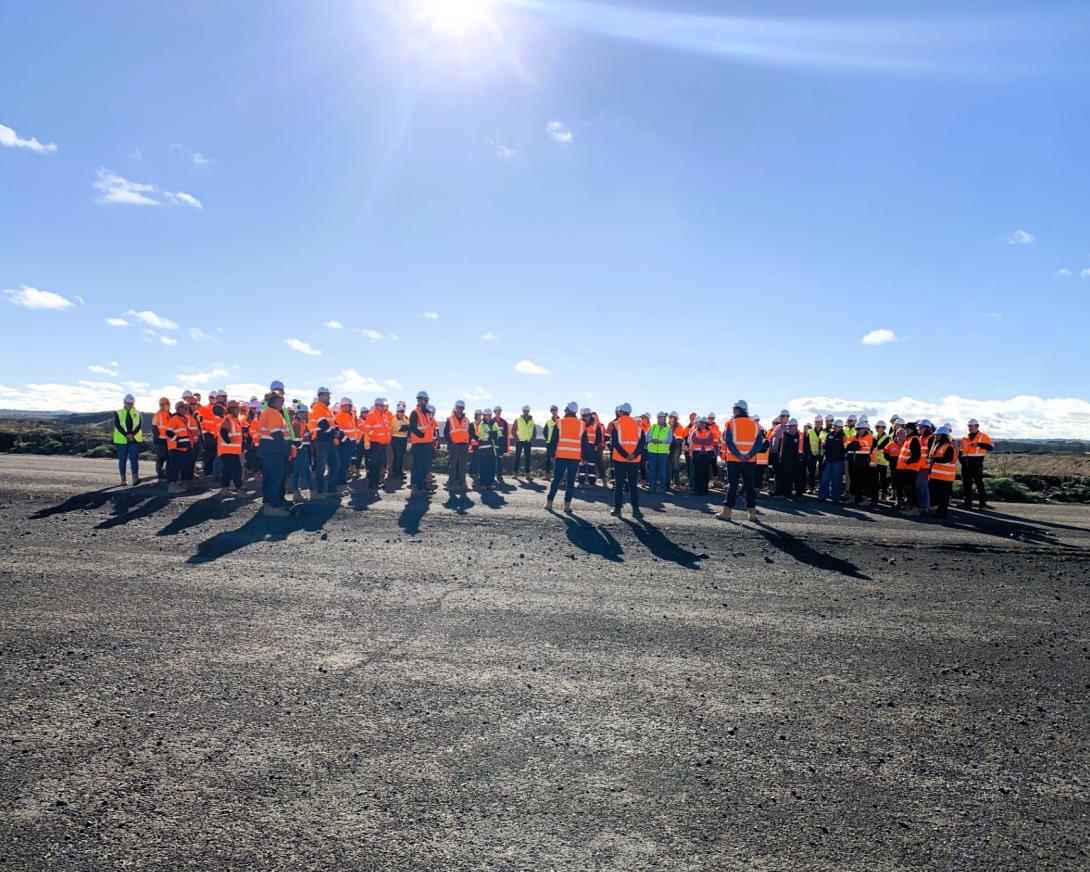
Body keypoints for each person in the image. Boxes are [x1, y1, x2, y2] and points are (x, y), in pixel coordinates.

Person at [717, 401, 762, 521]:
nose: (733, 411)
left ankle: (727, 512)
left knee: (732, 485)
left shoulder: (730, 424)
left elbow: (729, 442)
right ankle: (752, 514)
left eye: (734, 409)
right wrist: (749, 455)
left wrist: (738, 455)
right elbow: (758, 444)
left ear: (738, 410)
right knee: (749, 486)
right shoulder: (756, 425)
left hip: (733, 460)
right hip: (750, 460)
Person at [256, 392, 291, 516]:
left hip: (268, 449)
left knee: (270, 477)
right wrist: (286, 449)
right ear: (274, 401)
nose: (283, 402)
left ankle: (269, 503)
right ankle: (273, 506)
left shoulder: (268, 412)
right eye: (281, 400)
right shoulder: (273, 413)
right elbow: (276, 434)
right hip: (274, 451)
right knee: (276, 478)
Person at [545, 402, 582, 513]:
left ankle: (549, 503)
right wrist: (585, 457)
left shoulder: (559, 422)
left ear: (566, 410)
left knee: (556, 479)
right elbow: (584, 442)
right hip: (575, 457)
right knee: (570, 482)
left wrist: (551, 455)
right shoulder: (582, 424)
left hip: (561, 456)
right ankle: (567, 506)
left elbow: (553, 441)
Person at [609, 403, 644, 518]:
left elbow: (614, 443)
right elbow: (641, 443)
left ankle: (617, 509)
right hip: (634, 460)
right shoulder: (639, 425)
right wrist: (633, 454)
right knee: (633, 485)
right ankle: (636, 510)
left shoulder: (616, 424)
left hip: (619, 459)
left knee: (619, 485)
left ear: (620, 412)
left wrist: (625, 455)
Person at [310, 387, 340, 499]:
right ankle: (320, 491)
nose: (329, 397)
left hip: (329, 440)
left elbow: (335, 424)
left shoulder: (327, 409)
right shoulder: (318, 407)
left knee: (335, 464)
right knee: (321, 467)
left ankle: (332, 490)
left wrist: (336, 432)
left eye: (329, 395)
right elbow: (323, 426)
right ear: (321, 396)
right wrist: (335, 433)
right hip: (321, 441)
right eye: (327, 395)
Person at [959, 418, 994, 509]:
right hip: (966, 463)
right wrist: (961, 461)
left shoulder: (984, 436)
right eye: (968, 426)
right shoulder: (965, 438)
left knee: (979, 483)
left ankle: (982, 503)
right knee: (966, 483)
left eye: (971, 426)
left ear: (977, 426)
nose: (969, 428)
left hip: (976, 462)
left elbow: (991, 447)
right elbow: (961, 451)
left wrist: (978, 444)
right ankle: (967, 503)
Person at [408, 391, 436, 496]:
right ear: (419, 400)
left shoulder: (426, 413)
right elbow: (413, 427)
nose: (426, 402)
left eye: (427, 400)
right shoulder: (415, 413)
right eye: (425, 400)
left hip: (427, 444)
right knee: (417, 466)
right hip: (419, 444)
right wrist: (421, 435)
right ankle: (415, 487)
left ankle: (422, 486)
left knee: (425, 467)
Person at [928, 425, 959, 519]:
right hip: (936, 476)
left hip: (945, 477)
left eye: (937, 435)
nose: (936, 437)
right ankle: (936, 511)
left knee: (943, 497)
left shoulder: (948, 447)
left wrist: (934, 459)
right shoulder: (938, 445)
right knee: (935, 495)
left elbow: (947, 459)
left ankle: (942, 513)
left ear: (943, 436)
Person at [112, 393, 143, 486]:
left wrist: (132, 435)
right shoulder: (118, 412)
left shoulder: (138, 413)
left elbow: (139, 425)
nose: (130, 405)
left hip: (134, 439)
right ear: (124, 402)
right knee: (123, 459)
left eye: (132, 403)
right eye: (128, 403)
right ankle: (123, 479)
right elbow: (118, 425)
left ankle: (135, 478)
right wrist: (127, 435)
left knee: (134, 458)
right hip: (121, 439)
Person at [845, 417, 876, 506]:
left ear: (865, 429)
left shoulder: (870, 438)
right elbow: (846, 445)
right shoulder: (853, 437)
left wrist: (854, 444)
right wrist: (852, 445)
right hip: (853, 462)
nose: (858, 430)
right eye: (857, 429)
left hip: (863, 463)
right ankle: (853, 498)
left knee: (864, 482)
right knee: (854, 481)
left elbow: (859, 444)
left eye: (859, 429)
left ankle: (865, 499)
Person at [163, 401, 192, 494]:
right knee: (174, 467)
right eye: (183, 408)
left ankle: (176, 484)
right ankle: (172, 486)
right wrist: (178, 440)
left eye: (186, 409)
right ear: (178, 409)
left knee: (178, 467)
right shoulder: (175, 418)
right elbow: (168, 432)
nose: (185, 410)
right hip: (175, 448)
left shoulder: (182, 419)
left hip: (181, 448)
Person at [217, 400, 245, 497]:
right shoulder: (229, 419)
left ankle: (225, 490)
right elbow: (223, 431)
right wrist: (229, 442)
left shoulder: (233, 419)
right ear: (233, 409)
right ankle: (239, 490)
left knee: (229, 471)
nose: (239, 411)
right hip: (228, 451)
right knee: (235, 470)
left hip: (231, 451)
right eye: (238, 409)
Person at [443, 400, 472, 491]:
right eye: (458, 407)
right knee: (453, 465)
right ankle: (451, 484)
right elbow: (446, 433)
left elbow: (469, 433)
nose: (460, 409)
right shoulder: (450, 419)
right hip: (454, 446)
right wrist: (450, 443)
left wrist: (468, 443)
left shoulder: (467, 420)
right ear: (456, 408)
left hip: (464, 446)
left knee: (463, 466)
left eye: (462, 408)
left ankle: (463, 483)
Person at [363, 397, 391, 489]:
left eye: (384, 406)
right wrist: (376, 436)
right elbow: (367, 429)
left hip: (383, 444)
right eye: (382, 406)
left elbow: (386, 430)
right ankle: (372, 483)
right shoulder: (371, 415)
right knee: (374, 465)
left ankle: (377, 481)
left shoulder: (384, 416)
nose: (384, 408)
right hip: (375, 444)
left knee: (380, 465)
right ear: (377, 406)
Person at [775, 418, 805, 498]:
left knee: (798, 478)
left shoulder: (801, 436)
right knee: (785, 477)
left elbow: (805, 448)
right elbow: (780, 448)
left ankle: (799, 495)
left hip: (798, 461)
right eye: (788, 426)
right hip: (786, 460)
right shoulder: (784, 435)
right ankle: (786, 493)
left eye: (790, 426)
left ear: (795, 426)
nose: (788, 428)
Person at [817, 419, 846, 502]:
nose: (835, 428)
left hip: (838, 461)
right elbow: (824, 445)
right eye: (834, 426)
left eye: (837, 426)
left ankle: (835, 497)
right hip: (828, 460)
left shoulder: (843, 437)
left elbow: (845, 448)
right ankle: (822, 495)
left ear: (841, 427)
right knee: (825, 478)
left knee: (836, 479)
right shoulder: (829, 435)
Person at [290, 403, 313, 501]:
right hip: (299, 451)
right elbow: (296, 441)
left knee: (306, 471)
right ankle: (296, 493)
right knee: (297, 472)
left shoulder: (301, 423)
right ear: (300, 413)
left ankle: (312, 491)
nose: (307, 414)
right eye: (305, 413)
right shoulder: (296, 424)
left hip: (302, 450)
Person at [688, 417, 717, 495]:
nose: (701, 424)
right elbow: (694, 440)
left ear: (706, 424)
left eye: (703, 423)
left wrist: (701, 442)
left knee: (705, 472)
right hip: (697, 454)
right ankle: (697, 489)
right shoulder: (694, 431)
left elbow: (709, 441)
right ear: (698, 423)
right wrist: (704, 441)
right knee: (697, 472)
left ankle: (704, 490)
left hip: (707, 454)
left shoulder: (710, 432)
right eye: (700, 423)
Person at [646, 412, 673, 493]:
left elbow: (670, 440)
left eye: (662, 418)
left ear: (665, 419)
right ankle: (651, 488)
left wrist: (661, 441)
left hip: (663, 453)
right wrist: (651, 440)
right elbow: (646, 437)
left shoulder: (668, 428)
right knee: (652, 471)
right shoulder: (653, 426)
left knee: (662, 471)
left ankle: (662, 489)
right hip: (652, 452)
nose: (660, 419)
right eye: (659, 418)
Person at [335, 398, 359, 490]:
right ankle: (340, 486)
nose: (350, 407)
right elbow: (339, 432)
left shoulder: (350, 416)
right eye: (349, 405)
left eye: (350, 405)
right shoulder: (340, 416)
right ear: (343, 406)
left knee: (345, 466)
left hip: (349, 445)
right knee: (342, 465)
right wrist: (347, 441)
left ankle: (343, 485)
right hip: (343, 445)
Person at [473, 407, 499, 490]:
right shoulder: (481, 424)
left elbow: (498, 433)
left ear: (491, 415)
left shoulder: (494, 423)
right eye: (486, 415)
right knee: (484, 467)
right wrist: (491, 435)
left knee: (491, 467)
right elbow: (482, 435)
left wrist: (491, 434)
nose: (487, 416)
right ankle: (483, 484)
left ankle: (489, 484)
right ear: (484, 416)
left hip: (492, 450)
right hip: (484, 450)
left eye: (489, 415)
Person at [578, 408, 602, 487]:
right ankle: (581, 483)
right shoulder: (580, 423)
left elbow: (599, 436)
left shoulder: (595, 424)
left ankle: (592, 483)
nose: (585, 417)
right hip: (583, 447)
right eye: (583, 415)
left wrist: (596, 445)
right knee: (582, 465)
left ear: (590, 415)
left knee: (591, 466)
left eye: (587, 415)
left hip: (592, 448)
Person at [513, 406, 536, 480]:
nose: (526, 412)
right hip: (519, 441)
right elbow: (513, 430)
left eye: (527, 411)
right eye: (525, 411)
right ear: (522, 411)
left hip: (527, 442)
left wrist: (532, 439)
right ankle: (515, 474)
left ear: (529, 411)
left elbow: (534, 431)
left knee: (527, 459)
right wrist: (517, 438)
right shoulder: (518, 420)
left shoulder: (532, 421)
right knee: (517, 457)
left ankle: (528, 475)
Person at [151, 397, 171, 481]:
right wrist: (157, 438)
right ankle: (160, 474)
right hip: (161, 440)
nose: (169, 406)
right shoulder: (157, 414)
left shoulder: (170, 414)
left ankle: (166, 473)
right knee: (161, 457)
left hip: (169, 440)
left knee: (168, 457)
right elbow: (154, 427)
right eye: (167, 404)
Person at [804, 415, 825, 492]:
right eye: (816, 422)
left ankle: (821, 488)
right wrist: (808, 454)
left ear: (822, 422)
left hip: (822, 455)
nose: (818, 423)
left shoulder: (825, 432)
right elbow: (806, 444)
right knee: (811, 471)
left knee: (822, 471)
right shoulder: (810, 432)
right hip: (812, 454)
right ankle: (811, 487)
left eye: (819, 422)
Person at [872, 421, 892, 502]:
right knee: (875, 479)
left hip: (883, 462)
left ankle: (884, 494)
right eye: (876, 427)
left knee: (883, 479)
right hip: (875, 461)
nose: (877, 428)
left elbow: (881, 447)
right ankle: (875, 496)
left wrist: (873, 448)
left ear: (883, 428)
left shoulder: (887, 438)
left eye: (878, 427)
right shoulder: (874, 436)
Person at [390, 401, 410, 479]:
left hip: (403, 439)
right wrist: (400, 428)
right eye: (400, 412)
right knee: (397, 456)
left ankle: (399, 471)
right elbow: (391, 429)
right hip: (396, 439)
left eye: (403, 412)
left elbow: (408, 426)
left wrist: (406, 428)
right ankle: (396, 472)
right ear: (397, 412)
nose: (402, 413)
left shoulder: (405, 419)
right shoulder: (393, 419)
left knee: (401, 456)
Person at [667, 412, 685, 489]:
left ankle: (677, 483)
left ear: (675, 418)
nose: (670, 418)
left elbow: (679, 439)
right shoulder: (668, 426)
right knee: (669, 465)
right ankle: (670, 481)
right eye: (669, 416)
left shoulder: (679, 427)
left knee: (675, 464)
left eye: (671, 417)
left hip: (676, 448)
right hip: (669, 448)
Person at [492, 406, 509, 482]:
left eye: (500, 411)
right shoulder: (491, 421)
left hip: (501, 444)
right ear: (494, 412)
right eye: (497, 411)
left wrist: (505, 447)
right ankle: (492, 475)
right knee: (492, 460)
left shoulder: (504, 422)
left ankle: (499, 475)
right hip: (493, 444)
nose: (498, 412)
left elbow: (506, 435)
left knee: (500, 460)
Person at [543, 405, 559, 478]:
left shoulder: (560, 421)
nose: (554, 411)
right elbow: (544, 431)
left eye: (555, 410)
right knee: (548, 459)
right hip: (549, 443)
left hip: (558, 443)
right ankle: (547, 475)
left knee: (558, 459)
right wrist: (547, 439)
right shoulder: (548, 422)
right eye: (552, 410)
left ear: (557, 410)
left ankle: (557, 475)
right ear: (551, 411)